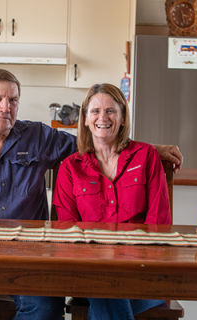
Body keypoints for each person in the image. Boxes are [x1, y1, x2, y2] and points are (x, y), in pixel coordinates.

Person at [0, 69, 183, 320]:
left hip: (28, 255)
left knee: (45, 307)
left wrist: (149, 150)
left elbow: (95, 142)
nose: (5, 107)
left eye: (13, 100)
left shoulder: (36, 136)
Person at [52, 83, 172, 320]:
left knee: (107, 292)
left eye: (111, 111)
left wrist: (129, 263)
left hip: (143, 271)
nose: (102, 118)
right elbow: (68, 232)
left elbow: (159, 223)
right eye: (95, 111)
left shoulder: (146, 156)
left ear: (123, 118)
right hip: (90, 272)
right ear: (85, 119)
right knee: (104, 284)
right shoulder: (69, 168)